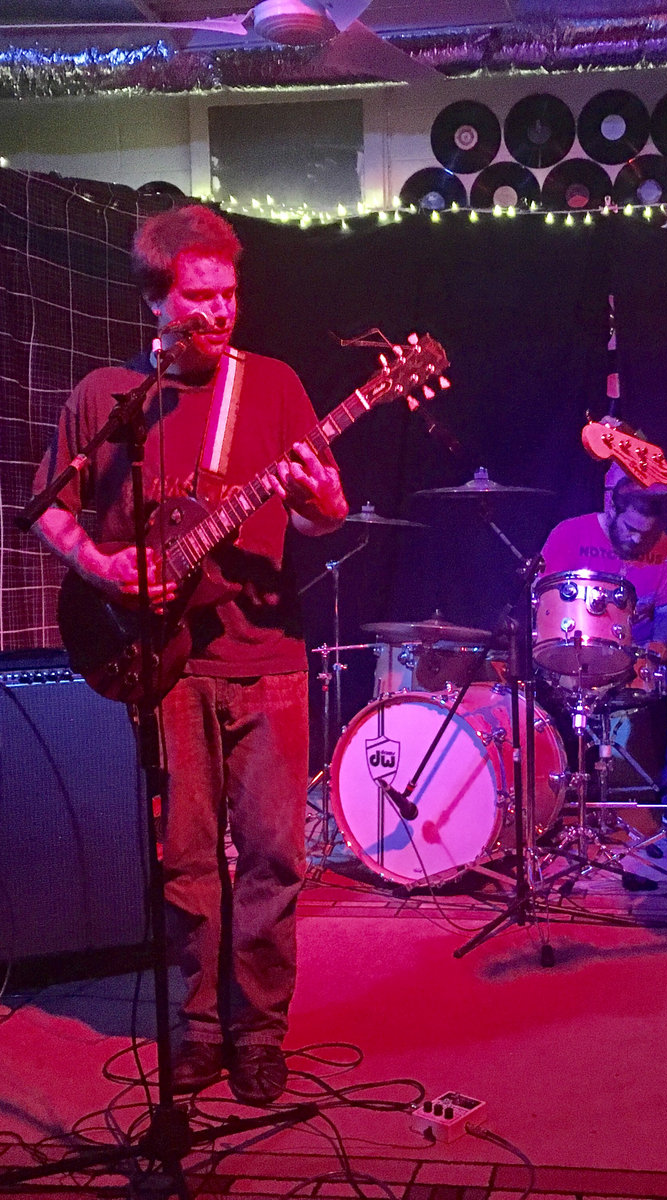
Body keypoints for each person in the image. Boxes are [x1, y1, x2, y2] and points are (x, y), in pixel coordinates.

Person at [31, 204, 349, 1105]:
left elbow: (321, 513)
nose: (219, 312)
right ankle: (201, 1023)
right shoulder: (107, 397)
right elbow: (49, 510)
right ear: (156, 302)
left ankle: (259, 1030)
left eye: (229, 294)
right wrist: (101, 565)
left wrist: (321, 502)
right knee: (186, 860)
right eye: (200, 297)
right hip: (163, 660)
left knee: (274, 857)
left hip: (268, 654)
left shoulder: (275, 385)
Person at [539, 454, 667, 831]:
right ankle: (550, 798)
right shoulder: (570, 534)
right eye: (630, 529)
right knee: (537, 698)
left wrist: (659, 645)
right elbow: (542, 598)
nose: (637, 539)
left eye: (646, 533)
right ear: (612, 509)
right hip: (572, 654)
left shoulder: (665, 548)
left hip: (632, 659)